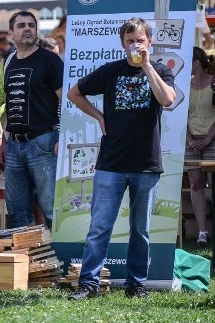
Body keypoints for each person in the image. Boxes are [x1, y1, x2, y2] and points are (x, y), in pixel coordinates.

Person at [68, 18, 175, 300]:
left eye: (140, 40)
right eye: (130, 41)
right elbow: (74, 93)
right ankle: (88, 284)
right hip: (111, 163)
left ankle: (136, 284)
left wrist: (146, 66)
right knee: (99, 227)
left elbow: (167, 99)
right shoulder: (110, 71)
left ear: (150, 42)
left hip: (146, 164)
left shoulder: (161, 70)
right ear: (121, 43)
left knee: (140, 229)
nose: (135, 45)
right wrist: (99, 116)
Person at [2, 11, 63, 229]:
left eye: (31, 25)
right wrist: (4, 139)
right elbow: (9, 103)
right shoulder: (9, 61)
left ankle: (58, 261)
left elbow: (66, 99)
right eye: (21, 26)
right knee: (17, 211)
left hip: (43, 142)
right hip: (14, 145)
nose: (27, 28)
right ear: (11, 33)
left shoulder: (50, 60)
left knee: (50, 210)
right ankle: (25, 262)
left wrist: (62, 137)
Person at [184, 47, 215, 246]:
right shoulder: (185, 86)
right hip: (192, 139)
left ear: (196, 63)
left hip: (212, 137)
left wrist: (210, 137)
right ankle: (202, 232)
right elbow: (181, 116)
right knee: (195, 183)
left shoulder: (213, 82)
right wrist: (189, 140)